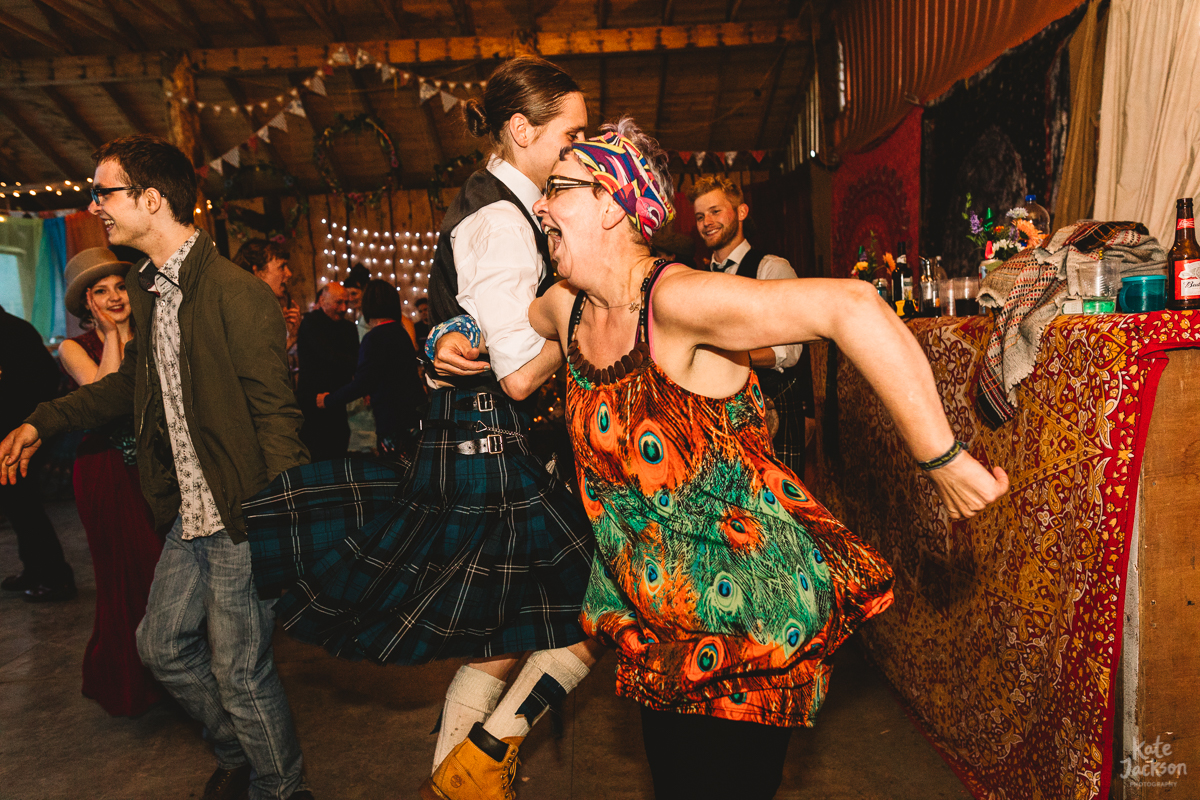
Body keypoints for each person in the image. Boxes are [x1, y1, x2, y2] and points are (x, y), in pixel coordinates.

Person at [434, 118, 1010, 799]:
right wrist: (450, 336)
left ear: (615, 205)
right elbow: (515, 359)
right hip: (658, 621)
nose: (539, 205)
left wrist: (941, 458)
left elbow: (852, 307)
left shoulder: (676, 301)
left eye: (559, 187)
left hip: (744, 619)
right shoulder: (567, 307)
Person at [242, 55, 601, 800]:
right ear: (521, 130)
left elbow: (477, 335)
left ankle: (459, 775)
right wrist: (591, 311)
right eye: (572, 134)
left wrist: (447, 341)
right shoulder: (500, 219)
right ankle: (475, 764)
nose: (580, 148)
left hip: (491, 443)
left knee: (511, 636)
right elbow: (521, 373)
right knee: (586, 615)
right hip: (496, 447)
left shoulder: (510, 208)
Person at [0, 135, 312, 800]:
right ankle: (236, 751)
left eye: (103, 192)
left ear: (151, 199)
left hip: (239, 516)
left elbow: (277, 421)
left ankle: (283, 790)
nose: (95, 206)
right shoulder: (152, 291)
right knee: (161, 646)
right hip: (184, 515)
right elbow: (130, 390)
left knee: (242, 671)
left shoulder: (235, 294)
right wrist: (40, 420)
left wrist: (286, 522)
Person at [56, 247, 165, 717]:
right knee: (120, 574)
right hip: (102, 471)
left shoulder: (150, 336)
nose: (115, 295)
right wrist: (114, 335)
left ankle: (171, 670)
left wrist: (128, 332)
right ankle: (124, 679)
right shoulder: (72, 348)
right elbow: (106, 398)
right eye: (101, 291)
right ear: (86, 304)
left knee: (157, 570)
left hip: (148, 467)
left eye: (120, 286)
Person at [690, 174, 814, 476]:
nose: (707, 222)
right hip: (717, 414)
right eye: (699, 216)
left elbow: (792, 349)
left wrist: (725, 356)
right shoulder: (697, 279)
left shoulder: (772, 268)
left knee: (781, 517)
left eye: (716, 211)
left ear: (741, 212)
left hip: (771, 409)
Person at [0, 306, 75, 602]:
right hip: (10, 435)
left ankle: (57, 577)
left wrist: (22, 430)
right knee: (17, 507)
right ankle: (34, 570)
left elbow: (43, 385)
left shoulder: (14, 331)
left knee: (25, 506)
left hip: (20, 436)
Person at [316, 280, 424, 459]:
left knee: (394, 474)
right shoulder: (400, 332)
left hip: (393, 421)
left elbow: (362, 383)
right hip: (414, 416)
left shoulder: (374, 337)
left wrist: (328, 400)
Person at [295, 282, 359, 460]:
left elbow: (354, 360)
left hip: (338, 399)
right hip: (313, 401)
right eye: (338, 302)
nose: (344, 308)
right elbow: (328, 356)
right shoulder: (311, 323)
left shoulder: (348, 328)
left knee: (338, 450)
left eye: (346, 303)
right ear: (322, 301)